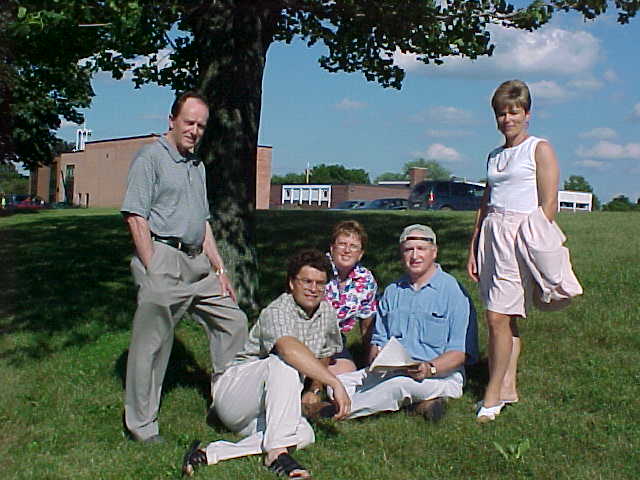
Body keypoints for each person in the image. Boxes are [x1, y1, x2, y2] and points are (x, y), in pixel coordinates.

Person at [121, 91, 248, 443]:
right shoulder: (151, 158)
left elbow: (202, 222)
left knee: (233, 321)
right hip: (163, 256)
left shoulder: (197, 165)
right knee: (153, 344)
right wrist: (153, 268)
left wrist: (221, 271)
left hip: (198, 263)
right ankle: (142, 426)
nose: (194, 130)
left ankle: (229, 403)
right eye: (189, 122)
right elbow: (135, 216)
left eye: (201, 126)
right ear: (172, 121)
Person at [181, 249, 351, 478]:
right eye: (307, 281)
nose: (314, 288)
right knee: (284, 363)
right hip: (237, 394)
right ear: (292, 283)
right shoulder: (278, 309)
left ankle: (210, 453)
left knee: (304, 434)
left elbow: (325, 352)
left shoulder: (327, 313)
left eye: (320, 283)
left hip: (269, 405)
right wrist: (335, 383)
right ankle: (276, 455)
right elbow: (288, 349)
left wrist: (315, 389)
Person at [309, 224, 477, 422]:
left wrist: (429, 368)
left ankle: (329, 413)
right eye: (408, 250)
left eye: (421, 249)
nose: (414, 256)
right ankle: (421, 404)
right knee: (338, 382)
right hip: (396, 369)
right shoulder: (393, 291)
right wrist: (377, 359)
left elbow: (460, 352)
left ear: (434, 252)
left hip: (440, 374)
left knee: (398, 387)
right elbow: (378, 339)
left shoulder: (454, 293)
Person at [466, 79, 560, 422]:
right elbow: (486, 201)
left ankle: (491, 396)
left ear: (527, 114)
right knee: (503, 313)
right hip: (492, 234)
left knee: (497, 317)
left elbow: (549, 202)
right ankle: (508, 386)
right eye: (502, 113)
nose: (508, 119)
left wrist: (530, 239)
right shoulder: (494, 155)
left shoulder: (539, 148)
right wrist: (475, 244)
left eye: (514, 112)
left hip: (522, 234)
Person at [324, 220, 377, 373]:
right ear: (332, 248)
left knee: (346, 384)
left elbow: (367, 325)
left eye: (353, 246)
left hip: (334, 344)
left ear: (360, 254)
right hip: (304, 338)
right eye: (342, 244)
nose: (347, 250)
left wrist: (369, 363)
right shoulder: (317, 268)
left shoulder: (365, 279)